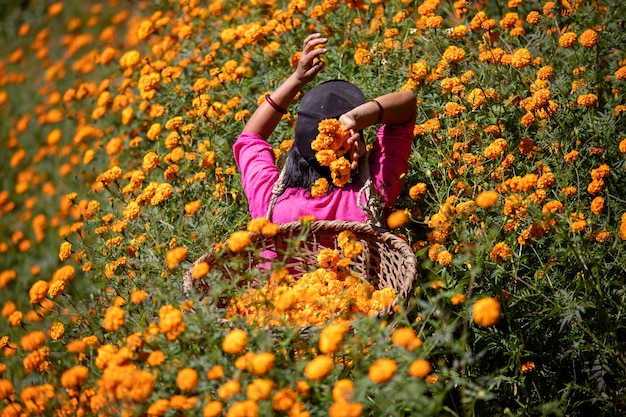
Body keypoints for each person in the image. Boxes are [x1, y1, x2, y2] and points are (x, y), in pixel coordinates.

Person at [233, 33, 417, 225]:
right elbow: (407, 106)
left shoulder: (270, 203)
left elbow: (250, 137)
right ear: (355, 144)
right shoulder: (369, 197)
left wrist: (297, 78)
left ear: (297, 145)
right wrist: (357, 118)